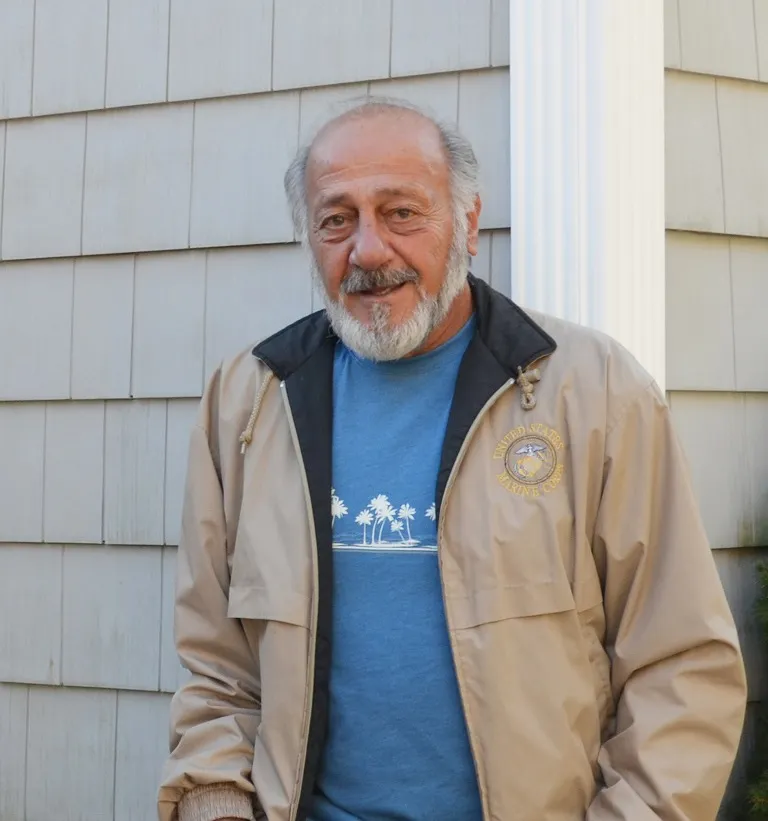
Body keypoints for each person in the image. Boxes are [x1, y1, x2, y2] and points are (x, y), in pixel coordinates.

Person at [158, 99, 747, 821]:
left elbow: (682, 665)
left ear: (467, 222)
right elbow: (218, 669)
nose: (368, 250)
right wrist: (215, 803)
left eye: (402, 212)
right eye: (337, 219)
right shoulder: (245, 404)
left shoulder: (596, 394)